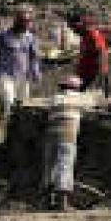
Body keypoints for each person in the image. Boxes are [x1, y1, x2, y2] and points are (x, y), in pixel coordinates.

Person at [44, 76, 89, 211]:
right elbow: (93, 108)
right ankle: (62, 204)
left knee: (50, 168)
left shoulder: (54, 98)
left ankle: (47, 202)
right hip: (67, 137)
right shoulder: (80, 98)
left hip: (50, 137)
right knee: (65, 166)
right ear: (77, 88)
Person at [0, 5, 41, 112]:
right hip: (6, 75)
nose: (27, 23)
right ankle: (8, 125)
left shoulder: (31, 38)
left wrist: (36, 74)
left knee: (23, 106)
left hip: (23, 77)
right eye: (24, 20)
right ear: (17, 20)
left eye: (29, 21)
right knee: (9, 103)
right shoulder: (4, 37)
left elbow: (34, 58)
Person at [71, 11, 111, 96]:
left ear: (80, 24)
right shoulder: (84, 37)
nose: (74, 30)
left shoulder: (92, 34)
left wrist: (100, 76)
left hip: (94, 76)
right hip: (85, 75)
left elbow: (102, 52)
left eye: (75, 27)